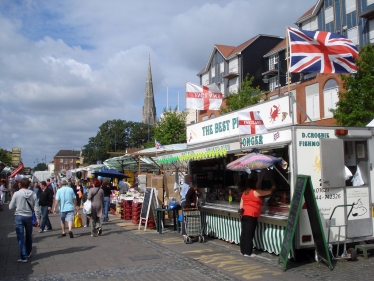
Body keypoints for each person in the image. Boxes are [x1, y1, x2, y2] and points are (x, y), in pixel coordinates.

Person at [239, 178, 275, 257]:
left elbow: (241, 204)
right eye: (256, 183)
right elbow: (268, 192)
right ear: (253, 184)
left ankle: (242, 250)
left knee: (244, 233)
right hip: (252, 215)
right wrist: (272, 187)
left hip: (244, 214)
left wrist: (241, 212)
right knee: (249, 234)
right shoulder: (255, 192)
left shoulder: (244, 193)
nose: (257, 185)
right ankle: (248, 252)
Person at [9, 177, 40, 262]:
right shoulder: (33, 194)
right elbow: (36, 208)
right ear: (28, 185)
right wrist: (38, 219)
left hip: (19, 216)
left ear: (20, 184)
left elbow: (10, 207)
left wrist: (17, 203)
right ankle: (28, 252)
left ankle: (23, 256)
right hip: (29, 216)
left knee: (20, 236)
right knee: (29, 235)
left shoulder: (16, 194)